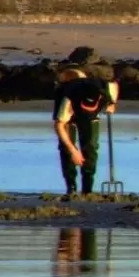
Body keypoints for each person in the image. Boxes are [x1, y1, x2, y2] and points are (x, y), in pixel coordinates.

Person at [53, 67, 117, 197]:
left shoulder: (103, 90)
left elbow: (114, 85)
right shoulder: (68, 98)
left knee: (91, 147)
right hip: (69, 116)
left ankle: (87, 189)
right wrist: (73, 151)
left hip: (90, 118)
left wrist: (112, 103)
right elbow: (59, 125)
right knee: (66, 148)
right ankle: (71, 188)